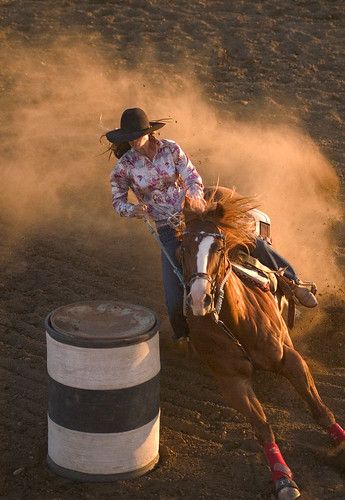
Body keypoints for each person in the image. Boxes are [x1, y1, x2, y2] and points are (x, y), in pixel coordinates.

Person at [105, 107, 317, 342]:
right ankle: (185, 337)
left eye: (136, 135)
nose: (133, 142)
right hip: (168, 229)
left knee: (247, 240)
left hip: (195, 215)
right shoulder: (124, 168)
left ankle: (293, 282)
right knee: (174, 298)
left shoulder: (171, 148)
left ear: (148, 132)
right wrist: (133, 209)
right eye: (129, 138)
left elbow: (192, 176)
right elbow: (118, 202)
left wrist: (195, 198)